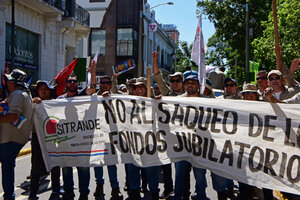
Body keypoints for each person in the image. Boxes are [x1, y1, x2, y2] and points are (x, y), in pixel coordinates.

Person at [57, 73, 96, 200]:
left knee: (83, 167)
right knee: (66, 168)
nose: (72, 83)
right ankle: (68, 192)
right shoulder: (59, 100)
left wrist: (93, 71)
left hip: (81, 140)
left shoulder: (82, 96)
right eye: (70, 81)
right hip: (65, 140)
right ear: (66, 84)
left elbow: (93, 88)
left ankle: (84, 193)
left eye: (75, 81)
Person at [0, 69, 33, 200]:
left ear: (14, 82)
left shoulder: (18, 95)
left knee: (7, 165)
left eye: (9, 80)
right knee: (8, 166)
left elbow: (13, 115)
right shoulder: (25, 94)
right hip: (16, 138)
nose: (7, 83)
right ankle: (9, 196)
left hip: (9, 139)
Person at [125, 77, 160, 200]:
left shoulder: (153, 101)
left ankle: (154, 192)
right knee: (132, 167)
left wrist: (157, 102)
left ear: (147, 88)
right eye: (137, 87)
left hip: (149, 141)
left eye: (142, 86)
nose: (139, 89)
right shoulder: (129, 100)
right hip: (133, 141)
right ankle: (134, 191)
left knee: (151, 169)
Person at [28, 80, 61, 200]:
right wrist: (32, 102)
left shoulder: (56, 104)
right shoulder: (34, 103)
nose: (43, 90)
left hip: (53, 137)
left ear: (50, 91)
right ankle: (33, 192)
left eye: (45, 88)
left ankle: (55, 191)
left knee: (55, 164)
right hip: (37, 137)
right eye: (41, 88)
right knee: (35, 166)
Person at [93, 75, 123, 200]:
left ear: (111, 85)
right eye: (102, 82)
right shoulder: (92, 98)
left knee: (112, 163)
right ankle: (99, 186)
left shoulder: (117, 97)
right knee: (98, 163)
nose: (104, 85)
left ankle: (115, 188)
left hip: (111, 135)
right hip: (97, 135)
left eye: (107, 83)